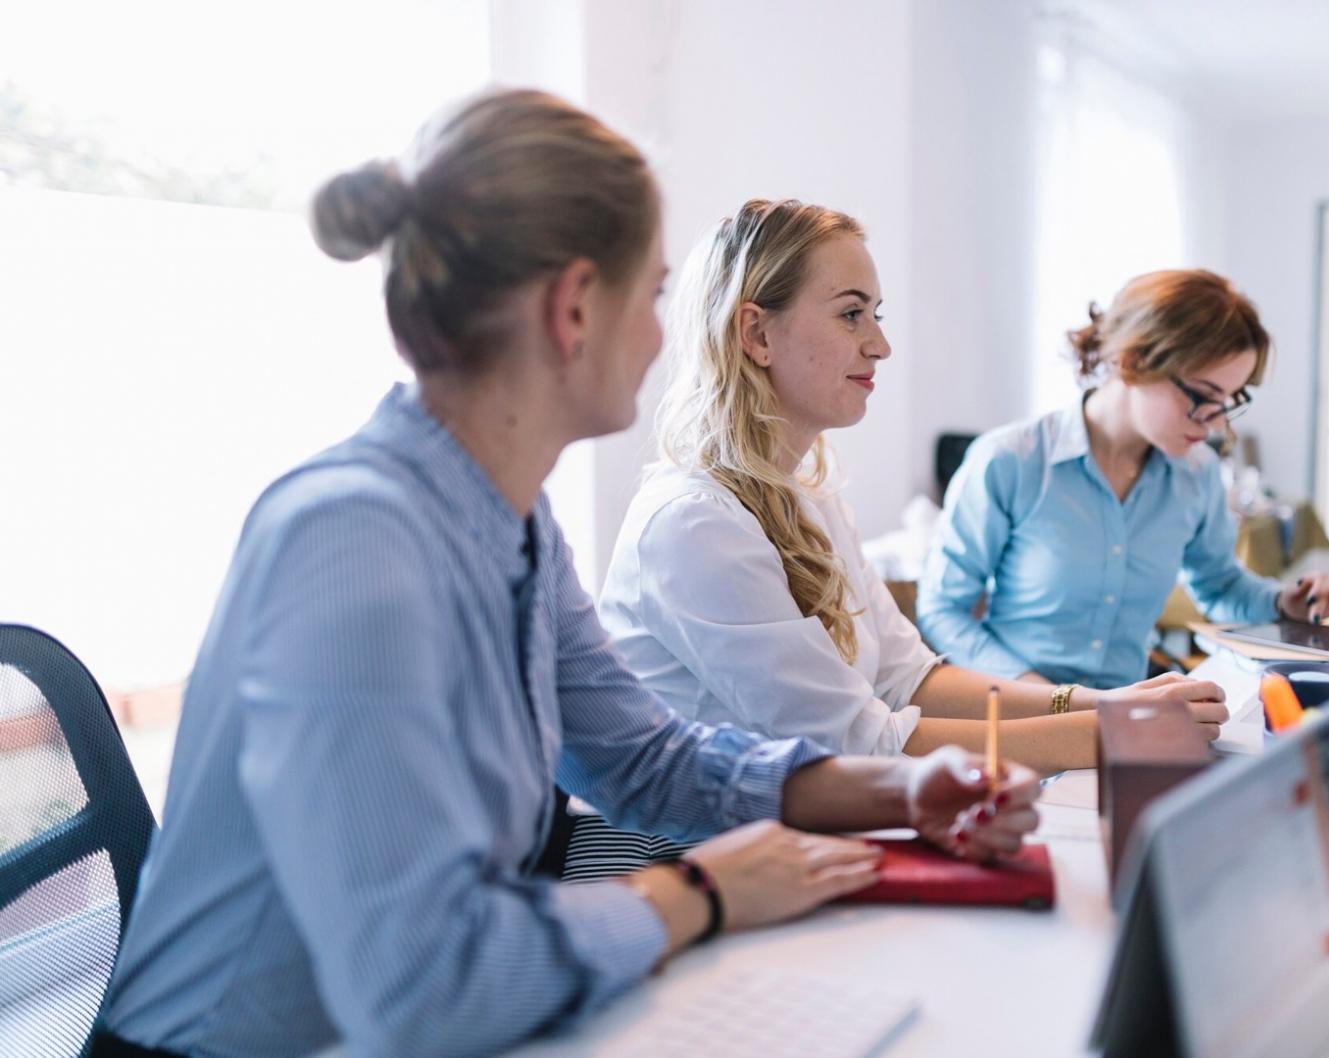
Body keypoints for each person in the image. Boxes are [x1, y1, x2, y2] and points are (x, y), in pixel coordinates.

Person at [91, 92, 1040, 1058]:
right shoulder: (352, 544)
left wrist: (902, 790)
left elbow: (646, 763)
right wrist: (699, 894)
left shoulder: (515, 519)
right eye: (657, 294)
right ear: (575, 306)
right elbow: (425, 981)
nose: (668, 337)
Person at [570, 202, 1225, 882]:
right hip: (662, 851)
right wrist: (1115, 731)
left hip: (771, 832)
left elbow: (911, 679)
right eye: (852, 314)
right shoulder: (695, 522)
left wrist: (1108, 704)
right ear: (757, 334)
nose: (879, 345)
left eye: (876, 316)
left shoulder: (809, 497)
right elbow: (858, 742)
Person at [917, 269, 1329, 692]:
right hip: (1017, 716)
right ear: (1132, 362)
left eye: (1228, 403)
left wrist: (1283, 601)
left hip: (1128, 710)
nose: (1212, 426)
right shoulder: (1011, 461)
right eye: (1203, 398)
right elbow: (942, 612)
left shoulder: (1197, 474)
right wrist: (1045, 697)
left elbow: (1219, 585)